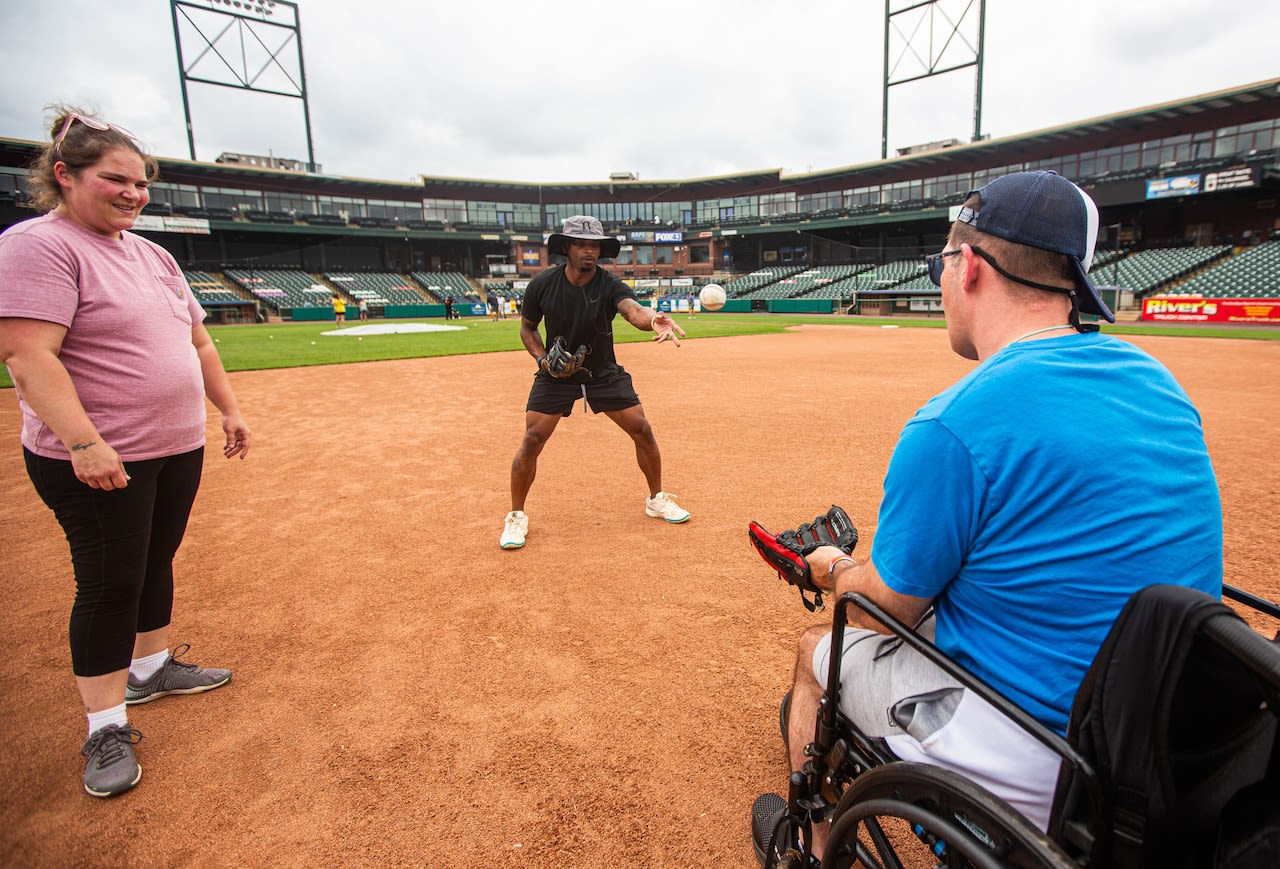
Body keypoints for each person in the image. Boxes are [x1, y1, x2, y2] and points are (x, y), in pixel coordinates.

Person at [751, 171, 1223, 864]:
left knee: (815, 650)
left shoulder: (954, 422)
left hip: (1045, 768)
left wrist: (834, 569)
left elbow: (887, 612)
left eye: (943, 261)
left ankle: (816, 849)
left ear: (968, 266)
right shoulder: (1159, 383)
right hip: (1167, 742)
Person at [0, 107, 253, 799]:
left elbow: (199, 342)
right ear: (64, 175)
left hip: (175, 447)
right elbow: (27, 353)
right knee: (110, 581)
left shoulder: (153, 253)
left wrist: (227, 409)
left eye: (141, 183)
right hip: (98, 455)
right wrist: (83, 441)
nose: (133, 193)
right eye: (115, 179)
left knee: (154, 559)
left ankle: (150, 666)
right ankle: (104, 724)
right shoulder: (39, 246)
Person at [500, 215, 691, 549]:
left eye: (595, 246)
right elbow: (527, 328)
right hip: (555, 375)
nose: (589, 251)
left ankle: (656, 499)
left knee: (642, 430)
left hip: (603, 371)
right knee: (532, 439)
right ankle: (516, 516)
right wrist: (542, 359)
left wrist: (652, 319)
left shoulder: (609, 284)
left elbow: (633, 311)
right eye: (581, 244)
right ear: (566, 247)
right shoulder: (543, 284)